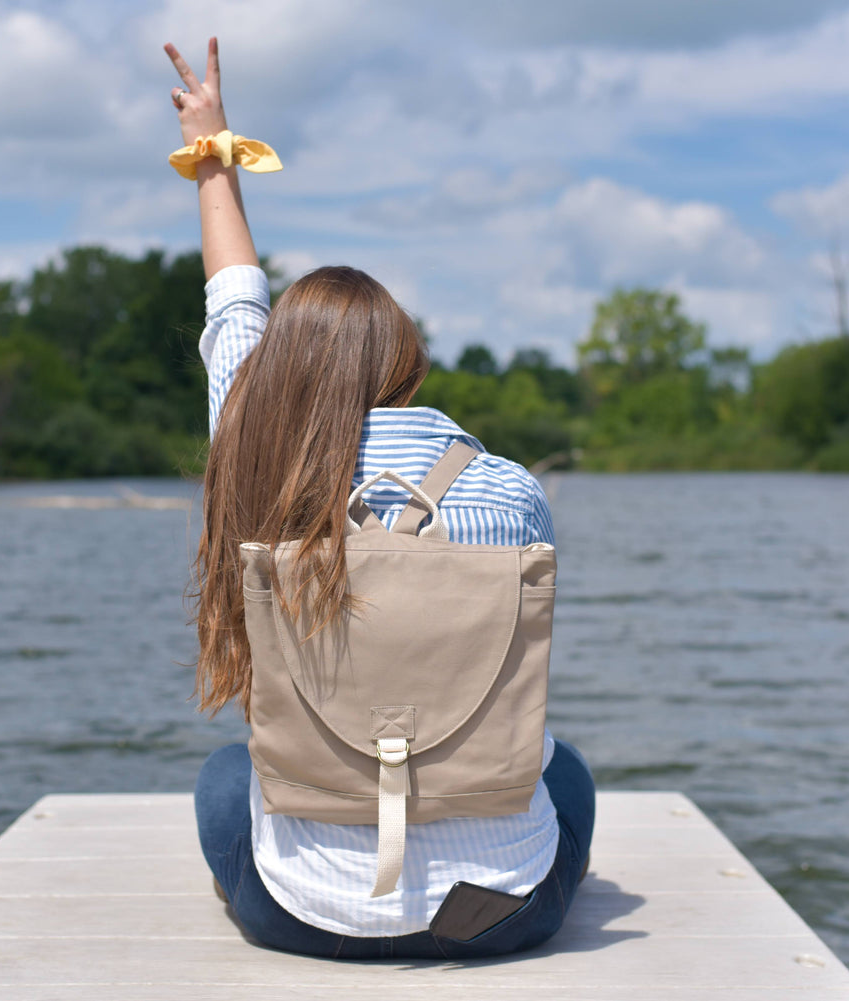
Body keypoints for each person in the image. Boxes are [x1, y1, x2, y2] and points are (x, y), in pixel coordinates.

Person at [167, 37, 596, 960]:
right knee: (572, 774)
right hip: (504, 913)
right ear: (406, 364)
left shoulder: (254, 472)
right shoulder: (509, 491)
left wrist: (212, 151)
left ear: (273, 379)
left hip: (303, 915)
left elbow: (234, 305)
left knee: (220, 778)